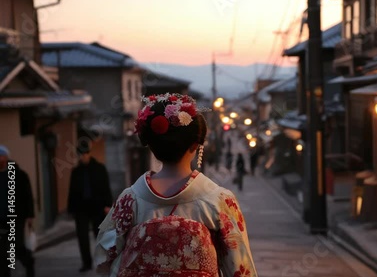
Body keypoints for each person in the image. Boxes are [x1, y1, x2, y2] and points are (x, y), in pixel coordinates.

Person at [95, 93, 257, 277]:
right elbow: (240, 268)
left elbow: (104, 259)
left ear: (152, 146)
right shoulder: (218, 201)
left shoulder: (129, 200)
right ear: (196, 145)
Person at [68, 141, 112, 272]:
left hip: (97, 206)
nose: (82, 157)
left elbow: (106, 187)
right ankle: (86, 263)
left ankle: (103, 261)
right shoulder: (76, 171)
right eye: (80, 154)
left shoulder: (99, 168)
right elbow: (72, 191)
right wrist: (71, 208)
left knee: (99, 236)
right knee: (82, 237)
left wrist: (107, 205)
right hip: (81, 208)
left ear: (88, 153)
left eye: (84, 154)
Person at [0, 145, 35, 277]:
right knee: (2, 253)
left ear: (6, 157)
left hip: (16, 218)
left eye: (1, 156)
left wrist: (30, 215)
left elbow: (27, 195)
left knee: (17, 247)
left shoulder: (19, 175)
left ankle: (29, 262)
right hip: (1, 219)